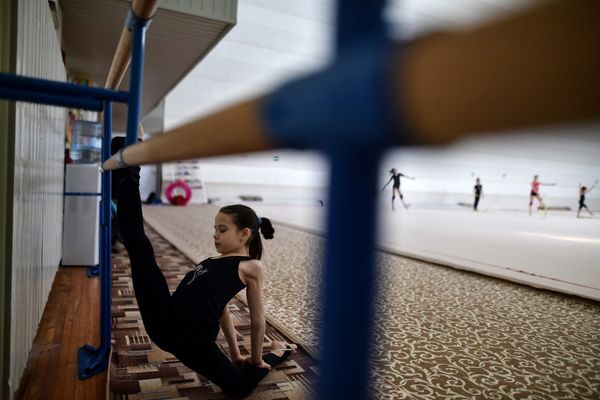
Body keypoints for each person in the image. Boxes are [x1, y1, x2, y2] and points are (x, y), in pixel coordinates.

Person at [111, 137, 295, 399]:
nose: (215, 235)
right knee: (139, 247)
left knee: (239, 389)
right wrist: (234, 353)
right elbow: (223, 311)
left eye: (222, 230)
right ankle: (125, 161)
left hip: (193, 341)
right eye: (214, 230)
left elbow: (257, 320)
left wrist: (255, 358)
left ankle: (277, 352)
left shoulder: (251, 266)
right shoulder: (213, 262)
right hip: (164, 319)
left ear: (244, 235)